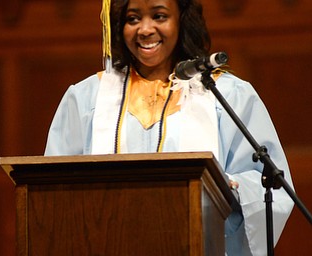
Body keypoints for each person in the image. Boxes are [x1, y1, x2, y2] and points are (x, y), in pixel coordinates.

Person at [44, 0, 294, 255]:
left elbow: (269, 185)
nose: (145, 29)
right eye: (132, 19)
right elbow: (52, 191)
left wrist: (224, 187)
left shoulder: (226, 94)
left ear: (182, 20)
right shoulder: (87, 98)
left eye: (159, 16)